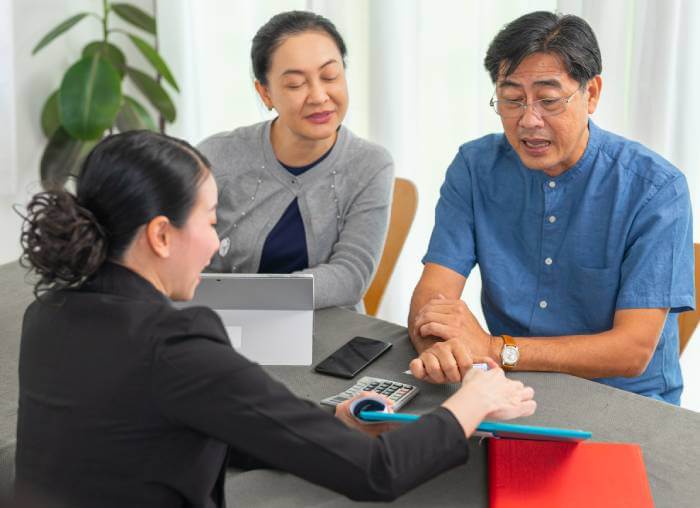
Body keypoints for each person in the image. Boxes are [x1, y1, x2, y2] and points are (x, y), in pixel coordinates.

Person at [14, 130, 535, 507]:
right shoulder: (175, 344)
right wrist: (474, 400)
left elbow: (165, 421)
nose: (217, 241)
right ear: (160, 235)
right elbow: (376, 475)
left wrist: (331, 422)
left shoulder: (48, 313)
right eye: (210, 220)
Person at [408, 11, 694, 404]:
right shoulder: (475, 168)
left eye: (548, 100)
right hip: (509, 389)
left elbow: (632, 351)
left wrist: (494, 349)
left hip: (623, 400)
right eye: (511, 99)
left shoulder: (656, 189)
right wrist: (440, 349)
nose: (528, 120)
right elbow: (434, 295)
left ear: (591, 94)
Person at [198, 11, 393, 310]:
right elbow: (186, 260)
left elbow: (349, 276)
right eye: (295, 84)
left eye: (330, 76)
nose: (318, 96)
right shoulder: (216, 156)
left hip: (330, 332)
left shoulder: (370, 164)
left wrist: (251, 298)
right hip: (224, 324)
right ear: (265, 93)